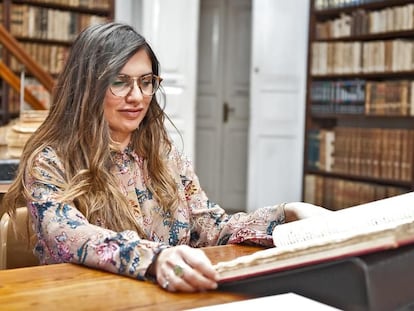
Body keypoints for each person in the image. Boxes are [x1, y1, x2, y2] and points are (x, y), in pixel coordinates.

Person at [3, 22, 330, 293]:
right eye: (119, 82)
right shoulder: (49, 161)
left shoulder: (163, 153)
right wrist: (156, 259)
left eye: (146, 82)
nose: (137, 97)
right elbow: (72, 239)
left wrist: (286, 215)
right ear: (87, 86)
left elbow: (209, 227)